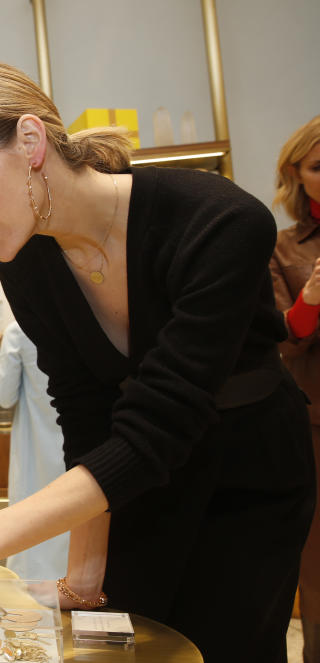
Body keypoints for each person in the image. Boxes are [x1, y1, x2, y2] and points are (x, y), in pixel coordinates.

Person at [0, 60, 314, 663]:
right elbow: (89, 419)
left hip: (249, 477)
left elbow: (159, 425)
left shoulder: (219, 219)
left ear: (30, 141)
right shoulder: (26, 266)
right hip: (140, 485)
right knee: (135, 643)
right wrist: (84, 579)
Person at [270, 114, 320, 663]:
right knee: (318, 567)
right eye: (318, 165)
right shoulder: (283, 247)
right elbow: (285, 340)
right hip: (314, 426)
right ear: (296, 175)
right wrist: (313, 293)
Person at [0, 320, 68, 581]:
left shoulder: (18, 331)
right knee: (71, 519)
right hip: (76, 444)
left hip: (33, 448)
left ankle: (27, 607)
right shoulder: (73, 321)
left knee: (30, 522)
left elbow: (5, 396)